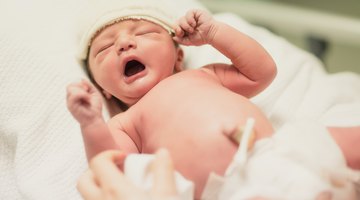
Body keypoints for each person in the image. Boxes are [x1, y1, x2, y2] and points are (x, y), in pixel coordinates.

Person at [67, 1, 360, 199]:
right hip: (233, 190)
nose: (123, 44)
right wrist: (91, 122)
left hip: (281, 150)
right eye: (104, 50)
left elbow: (262, 72)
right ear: (103, 89)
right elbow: (110, 166)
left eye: (144, 33)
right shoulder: (124, 123)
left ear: (179, 55)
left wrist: (215, 34)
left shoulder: (205, 75)